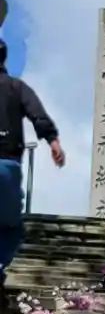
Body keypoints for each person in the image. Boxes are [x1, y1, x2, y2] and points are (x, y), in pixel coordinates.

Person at [0, 44, 63, 288]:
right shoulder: (17, 87)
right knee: (11, 226)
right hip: (7, 166)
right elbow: (37, 114)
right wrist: (53, 142)